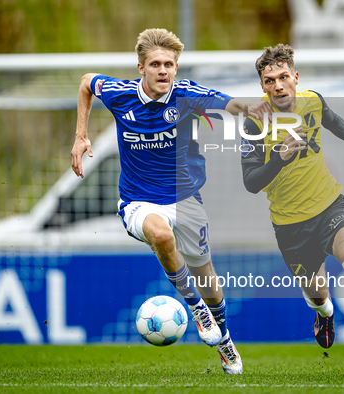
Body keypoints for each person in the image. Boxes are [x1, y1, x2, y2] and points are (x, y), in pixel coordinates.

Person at [71, 28, 268, 374]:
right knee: (161, 236)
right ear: (140, 69)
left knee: (206, 275)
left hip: (186, 197)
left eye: (170, 64)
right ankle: (195, 309)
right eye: (156, 64)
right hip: (138, 200)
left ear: (177, 68)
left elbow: (230, 104)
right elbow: (87, 82)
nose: (163, 71)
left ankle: (224, 339)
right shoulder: (120, 94)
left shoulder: (187, 94)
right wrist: (80, 135)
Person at [240, 44, 344, 371]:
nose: (278, 85)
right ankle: (324, 314)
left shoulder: (313, 101)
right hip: (290, 226)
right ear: (262, 87)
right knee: (317, 295)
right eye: (270, 81)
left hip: (329, 206)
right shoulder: (255, 122)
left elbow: (335, 122)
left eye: (283, 77)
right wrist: (279, 160)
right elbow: (251, 182)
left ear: (295, 77)